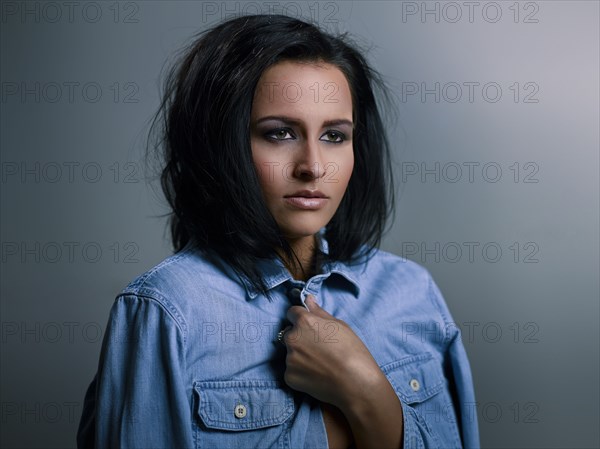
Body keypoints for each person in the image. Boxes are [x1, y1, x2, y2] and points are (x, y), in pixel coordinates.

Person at [77, 14, 480, 449]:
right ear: (222, 144)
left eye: (334, 136)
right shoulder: (168, 310)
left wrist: (367, 392)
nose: (313, 166)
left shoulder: (410, 292)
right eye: (280, 133)